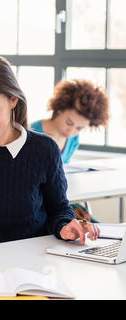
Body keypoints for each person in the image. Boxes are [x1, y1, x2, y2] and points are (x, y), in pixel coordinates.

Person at [0, 56, 99, 245]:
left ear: (13, 101)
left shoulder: (45, 149)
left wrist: (65, 226)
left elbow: (58, 208)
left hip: (30, 260)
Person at [30, 79, 109, 222]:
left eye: (79, 128)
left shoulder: (73, 140)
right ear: (59, 109)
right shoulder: (33, 133)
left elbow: (60, 183)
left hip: (60, 203)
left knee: (95, 226)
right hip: (39, 208)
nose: (71, 131)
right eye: (69, 123)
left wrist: (74, 205)